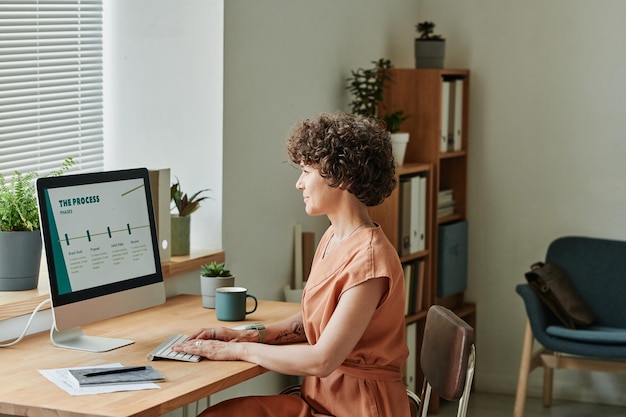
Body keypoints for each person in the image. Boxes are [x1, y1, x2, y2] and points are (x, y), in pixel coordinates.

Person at [173, 112, 409, 417]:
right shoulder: (334, 237)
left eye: (306, 172)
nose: (299, 184)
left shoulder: (370, 262)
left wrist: (236, 350)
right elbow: (316, 320)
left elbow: (322, 359)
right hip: (321, 398)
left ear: (341, 177)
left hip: (357, 407)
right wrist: (250, 334)